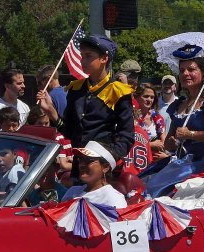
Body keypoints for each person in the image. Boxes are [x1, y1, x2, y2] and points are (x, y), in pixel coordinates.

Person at [37, 34, 135, 177]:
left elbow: (126, 136)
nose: (83, 60)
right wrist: (52, 112)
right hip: (79, 167)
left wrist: (108, 158)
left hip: (103, 171)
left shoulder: (118, 91)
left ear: (104, 58)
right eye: (82, 55)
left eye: (88, 56)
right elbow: (71, 132)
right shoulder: (76, 89)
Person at [61, 141, 127, 208]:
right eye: (80, 160)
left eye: (88, 161)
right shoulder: (73, 191)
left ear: (105, 167)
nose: (82, 165)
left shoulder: (113, 198)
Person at [26, 106, 73, 186]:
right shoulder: (30, 141)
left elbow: (63, 165)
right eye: (40, 123)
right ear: (32, 124)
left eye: (46, 123)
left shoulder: (58, 138)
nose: (44, 127)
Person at [134, 85, 167, 161]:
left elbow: (163, 142)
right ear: (137, 97)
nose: (149, 100)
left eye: (152, 97)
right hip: (135, 159)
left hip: (153, 160)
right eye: (146, 96)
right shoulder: (131, 117)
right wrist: (150, 145)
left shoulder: (157, 118)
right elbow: (127, 142)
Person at [123, 101, 153, 175]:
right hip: (139, 176)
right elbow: (149, 160)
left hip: (122, 176)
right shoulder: (144, 133)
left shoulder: (121, 132)